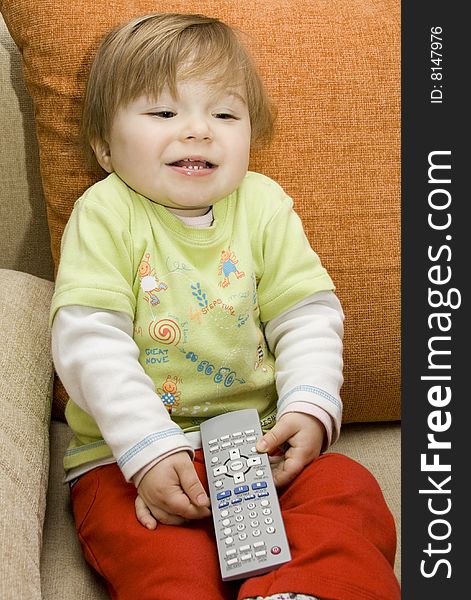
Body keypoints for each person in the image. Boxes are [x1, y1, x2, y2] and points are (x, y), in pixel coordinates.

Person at [50, 12, 400, 600]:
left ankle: (306, 591)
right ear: (104, 146)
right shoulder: (105, 213)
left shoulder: (263, 204)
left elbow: (307, 314)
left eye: (224, 113)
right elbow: (88, 341)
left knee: (346, 487)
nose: (198, 131)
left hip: (261, 442)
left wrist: (310, 408)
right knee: (158, 555)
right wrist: (151, 450)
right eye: (164, 113)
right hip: (128, 457)